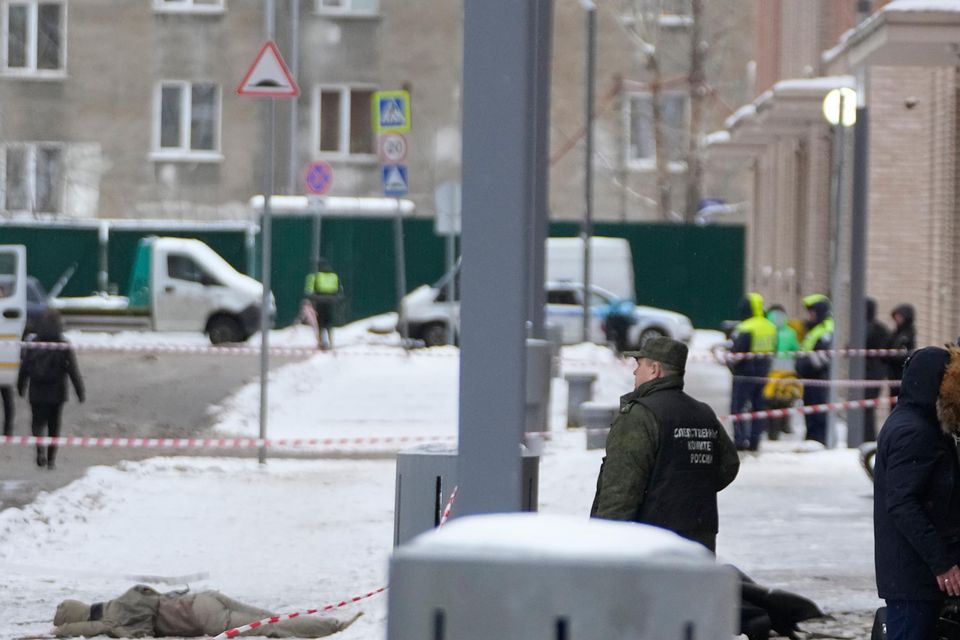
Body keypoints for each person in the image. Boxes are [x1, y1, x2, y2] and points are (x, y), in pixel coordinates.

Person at [590, 336, 740, 552]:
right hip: (700, 539)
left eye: (639, 365)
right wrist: (688, 491)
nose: (634, 372)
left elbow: (621, 487)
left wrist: (605, 540)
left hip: (652, 542)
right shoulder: (703, 413)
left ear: (654, 370)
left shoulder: (640, 415)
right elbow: (728, 466)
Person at [873, 345, 960, 640]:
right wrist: (943, 563)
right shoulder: (915, 431)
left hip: (917, 576)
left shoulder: (923, 424)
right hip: (915, 579)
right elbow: (903, 504)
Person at [52, 584, 361, 638]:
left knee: (269, 627)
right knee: (271, 617)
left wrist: (61, 631)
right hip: (204, 599)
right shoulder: (125, 599)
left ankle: (334, 626)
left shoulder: (115, 617)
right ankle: (328, 623)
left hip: (201, 617)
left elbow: (96, 630)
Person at [17, 309, 84, 469]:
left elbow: (24, 367)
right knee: (54, 426)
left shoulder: (33, 343)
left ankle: (39, 450)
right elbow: (72, 370)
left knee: (37, 423)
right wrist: (79, 391)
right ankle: (51, 459)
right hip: (57, 393)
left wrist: (21, 387)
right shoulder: (63, 344)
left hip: (36, 392)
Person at [728, 292, 777, 451]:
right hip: (763, 372)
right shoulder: (770, 326)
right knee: (758, 408)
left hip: (744, 373)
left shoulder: (745, 327)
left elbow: (737, 354)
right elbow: (774, 350)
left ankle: (741, 441)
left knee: (738, 407)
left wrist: (728, 360)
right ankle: (755, 441)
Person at [795, 294, 833, 445]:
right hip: (811, 378)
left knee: (818, 411)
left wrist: (804, 365)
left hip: (819, 378)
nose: (809, 316)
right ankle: (812, 438)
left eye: (812, 312)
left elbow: (822, 357)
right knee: (810, 410)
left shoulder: (826, 329)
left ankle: (818, 439)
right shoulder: (816, 328)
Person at [762, 304, 802, 440]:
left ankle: (771, 427)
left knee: (770, 400)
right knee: (785, 399)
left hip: (771, 371)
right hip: (787, 372)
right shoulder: (790, 332)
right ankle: (783, 425)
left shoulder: (767, 330)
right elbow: (797, 349)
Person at [864, 297, 892, 442]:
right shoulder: (863, 327)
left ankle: (868, 437)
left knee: (867, 408)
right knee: (864, 408)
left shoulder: (877, 329)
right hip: (867, 374)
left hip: (873, 374)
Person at [303, 258, 343, 350]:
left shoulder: (315, 276)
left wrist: (311, 298)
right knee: (329, 322)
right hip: (331, 302)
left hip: (319, 302)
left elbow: (309, 291)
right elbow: (339, 290)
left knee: (320, 322)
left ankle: (321, 342)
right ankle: (330, 340)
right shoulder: (334, 276)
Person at [887, 303, 917, 383]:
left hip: (901, 370)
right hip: (893, 370)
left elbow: (902, 351)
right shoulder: (896, 332)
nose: (897, 319)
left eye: (900, 316)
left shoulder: (907, 334)